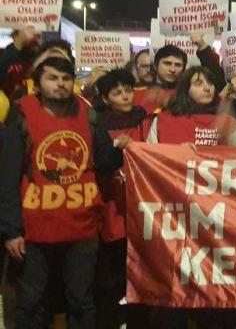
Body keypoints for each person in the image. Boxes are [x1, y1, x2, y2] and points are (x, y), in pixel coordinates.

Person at [0, 57, 108, 329]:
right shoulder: (21, 115)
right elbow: (9, 178)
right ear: (37, 84)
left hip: (82, 228)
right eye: (52, 77)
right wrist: (12, 231)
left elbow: (106, 159)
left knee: (81, 302)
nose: (60, 83)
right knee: (31, 302)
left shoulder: (89, 113)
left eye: (66, 78)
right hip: (35, 230)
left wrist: (125, 148)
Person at [90, 69, 149, 329]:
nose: (124, 96)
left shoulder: (146, 121)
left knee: (141, 277)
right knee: (110, 279)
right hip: (112, 208)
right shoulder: (96, 125)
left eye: (127, 89)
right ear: (104, 98)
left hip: (143, 210)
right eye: (116, 92)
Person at [145, 66, 236, 146]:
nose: (207, 88)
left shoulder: (228, 123)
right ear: (186, 90)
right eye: (198, 83)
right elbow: (150, 157)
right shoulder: (163, 120)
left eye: (210, 83)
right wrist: (176, 153)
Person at [0, 26, 40, 98]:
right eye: (30, 28)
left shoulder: (41, 57)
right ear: (16, 32)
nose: (36, 32)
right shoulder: (4, 57)